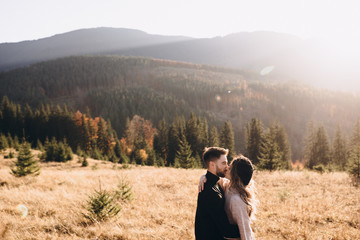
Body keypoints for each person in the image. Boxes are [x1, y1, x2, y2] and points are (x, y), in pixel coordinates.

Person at [198, 155, 258, 240]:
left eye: (231, 167)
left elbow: (245, 231)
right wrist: (204, 177)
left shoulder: (237, 200)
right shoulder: (228, 186)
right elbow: (214, 177)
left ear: (236, 174)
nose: (227, 167)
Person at [195, 147, 240, 240]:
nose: (227, 167)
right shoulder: (210, 192)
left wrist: (203, 176)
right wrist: (246, 229)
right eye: (223, 163)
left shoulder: (216, 183)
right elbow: (226, 230)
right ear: (212, 165)